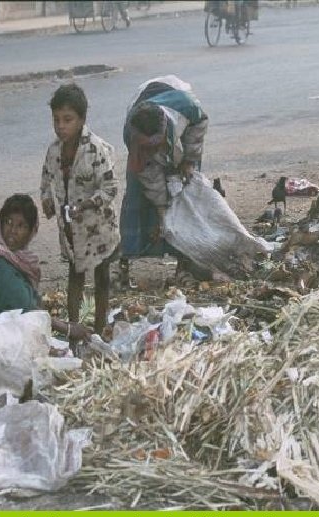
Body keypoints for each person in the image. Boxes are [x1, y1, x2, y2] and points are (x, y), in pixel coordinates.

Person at [0, 194, 92, 341]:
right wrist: (68, 329)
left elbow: (27, 298)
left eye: (21, 226)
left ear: (32, 231)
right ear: (0, 223)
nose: (13, 231)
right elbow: (23, 306)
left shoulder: (12, 256)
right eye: (8, 222)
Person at [40, 83, 119, 339]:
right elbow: (46, 178)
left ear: (82, 119)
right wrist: (47, 200)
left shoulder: (96, 150)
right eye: (57, 120)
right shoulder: (54, 151)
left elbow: (110, 188)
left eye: (68, 120)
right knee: (74, 275)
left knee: (101, 276)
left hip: (99, 227)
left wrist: (86, 205)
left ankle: (98, 329)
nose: (61, 126)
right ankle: (74, 328)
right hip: (71, 228)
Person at [119, 75, 209, 287]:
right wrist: (162, 215)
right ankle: (121, 266)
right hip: (146, 137)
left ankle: (184, 265)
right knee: (135, 200)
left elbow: (200, 123)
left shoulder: (185, 108)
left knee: (186, 195)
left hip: (184, 140)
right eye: (147, 147)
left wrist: (189, 159)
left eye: (156, 145)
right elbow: (150, 177)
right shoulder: (132, 136)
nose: (153, 152)